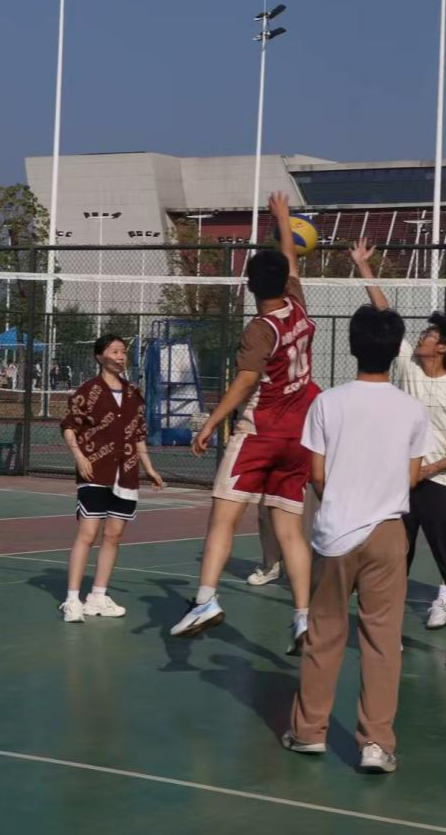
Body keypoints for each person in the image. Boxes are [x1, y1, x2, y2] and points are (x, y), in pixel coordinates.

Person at [282, 305, 429, 773]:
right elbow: (412, 476)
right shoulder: (412, 409)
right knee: (382, 640)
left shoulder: (328, 403)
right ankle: (376, 744)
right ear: (395, 350)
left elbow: (317, 475)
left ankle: (309, 732)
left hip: (335, 532)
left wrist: (344, 498)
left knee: (324, 634)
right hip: (388, 532)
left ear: (352, 346)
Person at [170, 191, 318, 653]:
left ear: (250, 286)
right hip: (299, 436)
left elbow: (246, 381)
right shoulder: (297, 305)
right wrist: (283, 219)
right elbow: (291, 262)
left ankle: (205, 601)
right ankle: (302, 618)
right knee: (290, 530)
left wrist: (211, 422)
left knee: (222, 518)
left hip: (261, 432)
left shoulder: (259, 329)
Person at [351, 239, 446, 665]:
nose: (422, 336)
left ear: (442, 348)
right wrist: (364, 267)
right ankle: (389, 632)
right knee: (394, 560)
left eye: (430, 334)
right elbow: (385, 314)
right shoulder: (408, 366)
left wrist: (429, 469)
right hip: (398, 485)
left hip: (435, 486)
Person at [60, 334, 165, 622]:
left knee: (114, 535)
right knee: (88, 534)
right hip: (95, 470)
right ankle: (72, 600)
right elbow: (69, 427)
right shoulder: (88, 391)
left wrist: (149, 468)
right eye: (114, 351)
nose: (120, 356)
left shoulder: (133, 393)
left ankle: (97, 596)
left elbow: (138, 434)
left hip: (126, 474)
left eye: (123, 352)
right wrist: (80, 457)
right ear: (100, 357)